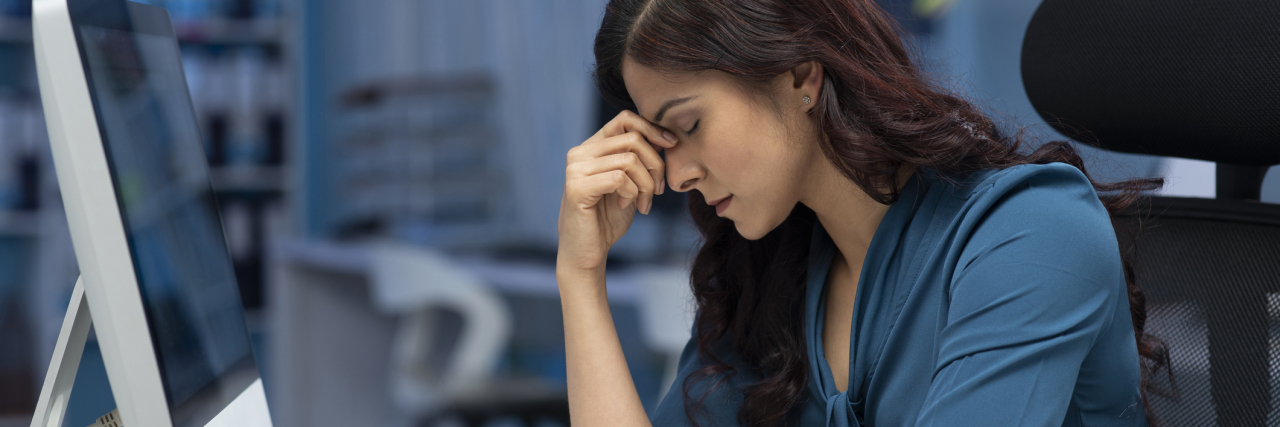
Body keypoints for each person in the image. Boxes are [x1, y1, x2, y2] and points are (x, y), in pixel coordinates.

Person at [555, 0, 1170, 426]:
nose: (677, 174)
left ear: (801, 75)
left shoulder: (1032, 233)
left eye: (688, 126)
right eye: (663, 145)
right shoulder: (768, 273)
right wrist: (580, 277)